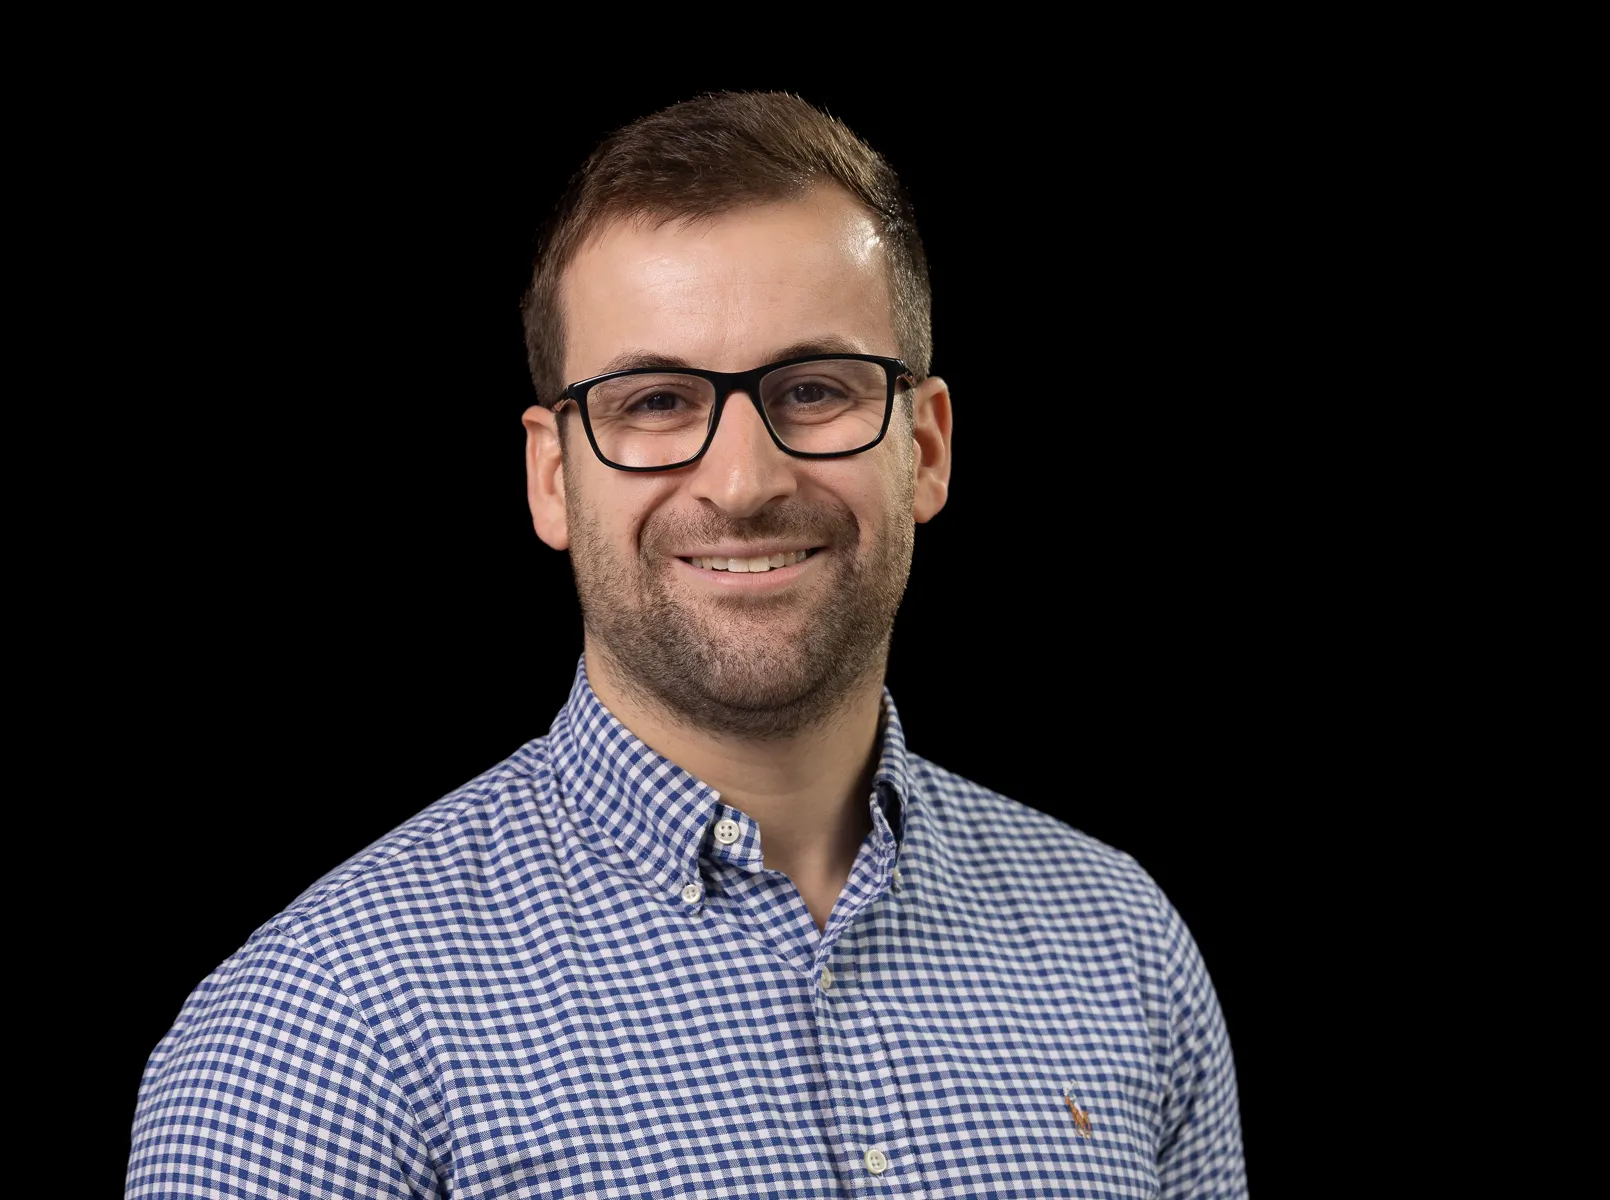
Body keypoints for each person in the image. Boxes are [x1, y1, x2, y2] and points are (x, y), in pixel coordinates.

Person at [127, 91, 1246, 1198]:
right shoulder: (314, 1037)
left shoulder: (1122, 943)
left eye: (814, 390)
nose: (744, 482)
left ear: (928, 445)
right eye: (655, 401)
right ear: (553, 478)